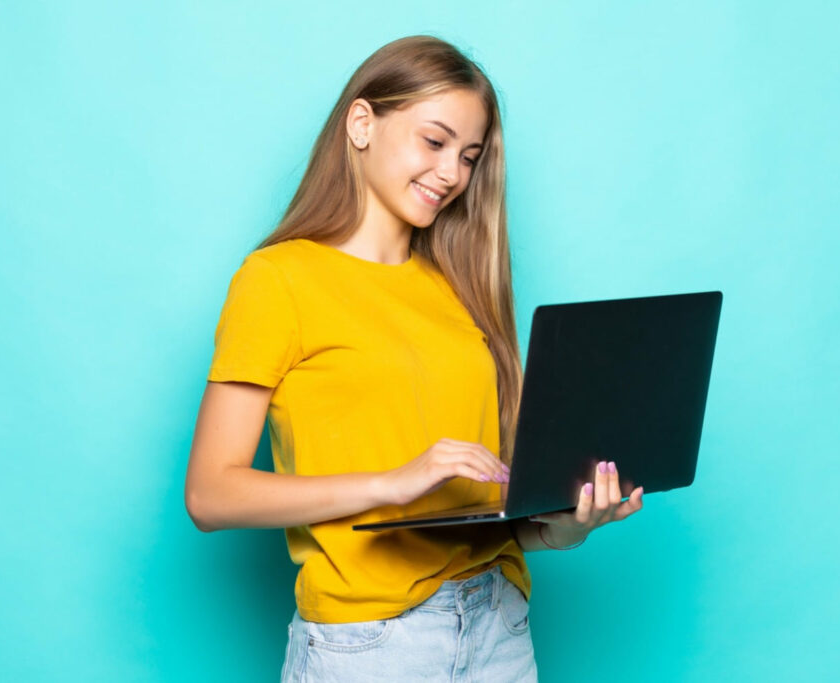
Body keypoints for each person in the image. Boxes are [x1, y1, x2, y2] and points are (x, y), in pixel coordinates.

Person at [184, 34, 645, 682]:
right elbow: (209, 492)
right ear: (362, 122)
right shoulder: (277, 280)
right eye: (435, 141)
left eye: (469, 155)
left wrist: (572, 524)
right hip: (372, 645)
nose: (454, 172)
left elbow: (497, 516)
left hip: (499, 626)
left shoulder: (460, 291)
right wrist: (391, 483)